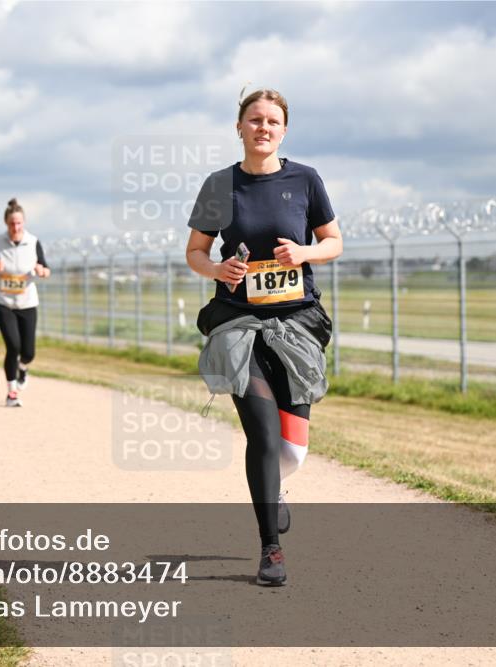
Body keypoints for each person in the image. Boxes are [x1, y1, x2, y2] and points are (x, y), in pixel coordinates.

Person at [185, 87, 343, 587]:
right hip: (237, 323)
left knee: (292, 452)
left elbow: (334, 242)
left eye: (272, 121)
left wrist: (304, 253)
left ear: (284, 130)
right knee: (262, 433)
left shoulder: (306, 180)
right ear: (239, 127)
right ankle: (270, 550)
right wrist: (218, 267)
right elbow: (195, 251)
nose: (263, 128)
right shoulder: (219, 185)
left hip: (297, 323)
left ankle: (276, 490)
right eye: (254, 120)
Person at [0, 198, 51, 407]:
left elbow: (46, 269)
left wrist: (41, 271)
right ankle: (12, 394)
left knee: (28, 353)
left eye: (18, 223)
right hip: (2, 303)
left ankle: (23, 369)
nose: (15, 227)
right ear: (5, 223)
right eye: (11, 223)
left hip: (27, 303)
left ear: (24, 222)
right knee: (13, 345)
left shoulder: (33, 242)